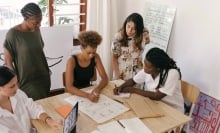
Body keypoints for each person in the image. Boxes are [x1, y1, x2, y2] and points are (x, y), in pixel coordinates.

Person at [3, 3, 51, 100]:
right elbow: (8, 62)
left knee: (44, 105)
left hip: (43, 76)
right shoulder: (13, 34)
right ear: (25, 19)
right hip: (27, 80)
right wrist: (15, 82)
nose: (39, 25)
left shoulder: (36, 30)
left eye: (40, 21)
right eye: (35, 23)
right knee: (35, 106)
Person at [114, 47, 184, 113]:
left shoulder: (172, 73)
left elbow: (157, 96)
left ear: (158, 68)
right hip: (156, 105)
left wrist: (133, 90)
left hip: (173, 110)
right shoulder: (147, 71)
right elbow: (133, 81)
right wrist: (121, 87)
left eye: (148, 66)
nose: (144, 68)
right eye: (144, 64)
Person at [0, 66, 62, 133]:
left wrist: (48, 120)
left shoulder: (18, 94)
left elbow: (33, 108)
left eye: (16, 83)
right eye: (12, 86)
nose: (16, 88)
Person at [65, 30, 108, 102]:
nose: (91, 55)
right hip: (73, 94)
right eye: (88, 53)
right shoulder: (71, 61)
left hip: (88, 90)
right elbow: (69, 87)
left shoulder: (96, 57)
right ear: (81, 48)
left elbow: (105, 78)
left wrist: (98, 88)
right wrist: (88, 96)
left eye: (94, 53)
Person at [111, 12, 150, 80]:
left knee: (136, 90)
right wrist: (116, 75)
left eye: (133, 28)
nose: (129, 31)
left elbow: (147, 38)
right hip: (122, 74)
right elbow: (114, 58)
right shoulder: (118, 38)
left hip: (138, 73)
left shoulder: (142, 36)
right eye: (128, 26)